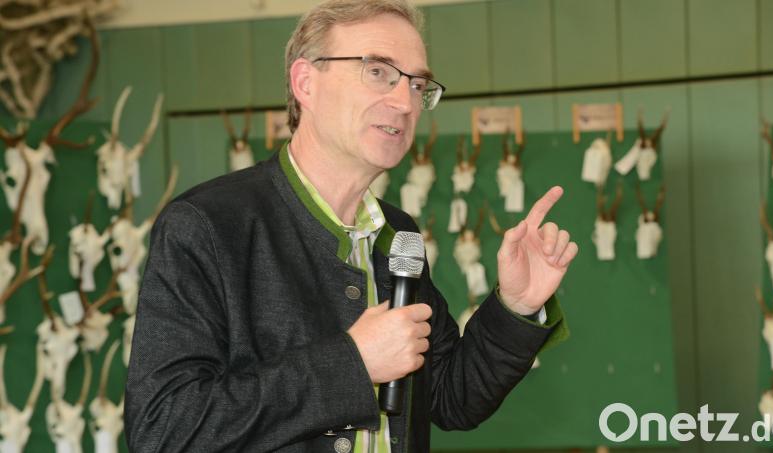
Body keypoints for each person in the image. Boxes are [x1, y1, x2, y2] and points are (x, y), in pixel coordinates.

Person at [124, 0, 577, 451]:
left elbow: (451, 399)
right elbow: (164, 430)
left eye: (418, 83)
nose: (404, 101)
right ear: (306, 82)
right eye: (378, 71)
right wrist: (353, 364)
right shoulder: (207, 226)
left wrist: (516, 306)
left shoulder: (397, 233)